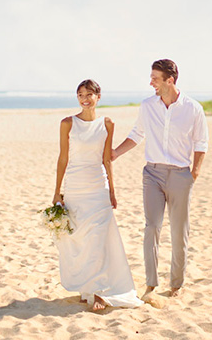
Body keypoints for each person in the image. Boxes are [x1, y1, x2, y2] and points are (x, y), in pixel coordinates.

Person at [112, 59, 208, 302]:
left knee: (179, 232)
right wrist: (114, 154)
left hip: (180, 175)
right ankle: (151, 285)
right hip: (152, 174)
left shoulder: (193, 108)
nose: (151, 82)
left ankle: (176, 284)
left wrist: (193, 174)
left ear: (170, 80)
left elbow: (201, 143)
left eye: (155, 78)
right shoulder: (147, 106)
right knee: (151, 227)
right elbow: (137, 134)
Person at [52, 79, 143, 311]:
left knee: (99, 239)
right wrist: (57, 192)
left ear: (98, 96)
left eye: (89, 94)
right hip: (75, 187)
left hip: (98, 188)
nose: (84, 98)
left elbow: (106, 159)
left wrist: (112, 190)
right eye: (80, 94)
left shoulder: (108, 123)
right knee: (81, 239)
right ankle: (87, 289)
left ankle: (101, 292)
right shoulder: (67, 124)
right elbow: (63, 159)